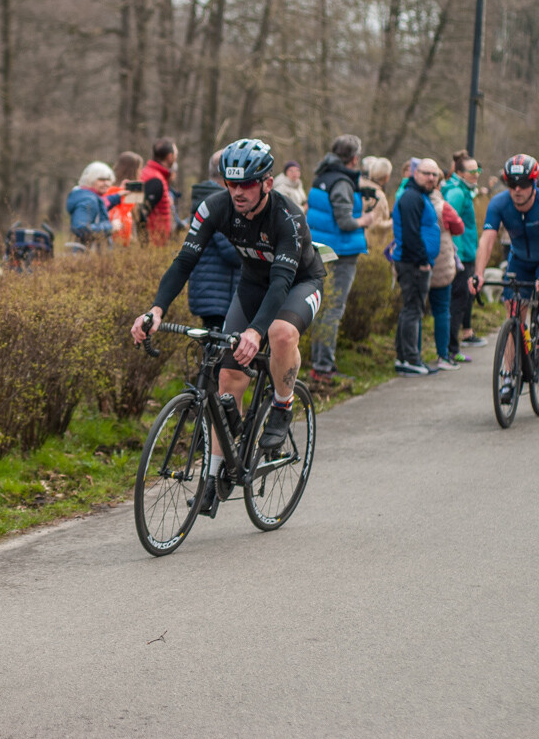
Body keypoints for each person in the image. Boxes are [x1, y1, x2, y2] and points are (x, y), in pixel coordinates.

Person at [131, 138, 326, 518]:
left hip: (299, 282)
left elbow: (282, 283)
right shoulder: (216, 207)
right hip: (253, 284)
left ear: (266, 184)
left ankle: (283, 404)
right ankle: (215, 476)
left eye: (246, 184)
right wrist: (155, 310)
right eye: (231, 183)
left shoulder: (288, 217)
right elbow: (184, 262)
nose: (237, 192)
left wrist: (255, 331)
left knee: (280, 333)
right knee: (228, 377)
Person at [306, 134, 377, 382]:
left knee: (323, 308)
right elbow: (345, 222)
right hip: (340, 253)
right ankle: (324, 368)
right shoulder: (342, 182)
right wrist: (366, 219)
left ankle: (319, 364)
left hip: (322, 250)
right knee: (333, 310)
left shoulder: (322, 175)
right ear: (354, 158)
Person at [469, 155, 539, 405]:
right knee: (514, 314)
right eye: (511, 184)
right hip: (519, 260)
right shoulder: (499, 203)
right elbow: (487, 239)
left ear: (534, 182)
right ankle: (509, 374)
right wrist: (478, 273)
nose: (517, 190)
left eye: (522, 184)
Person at [391, 158, 442, 376]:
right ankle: (411, 359)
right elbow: (411, 235)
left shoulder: (419, 195)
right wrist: (422, 262)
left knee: (410, 310)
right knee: (413, 311)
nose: (430, 178)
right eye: (426, 173)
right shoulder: (412, 197)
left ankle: (404, 358)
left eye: (434, 175)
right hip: (412, 263)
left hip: (414, 262)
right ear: (415, 173)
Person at [187, 150, 241, 331]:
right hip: (216, 293)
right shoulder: (217, 204)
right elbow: (232, 253)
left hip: (213, 290)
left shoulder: (206, 198)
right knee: (218, 354)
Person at [442, 150, 483, 357]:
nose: (476, 174)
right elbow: (449, 222)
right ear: (459, 172)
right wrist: (455, 254)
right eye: (471, 170)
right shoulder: (457, 193)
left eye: (478, 169)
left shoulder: (465, 190)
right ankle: (451, 349)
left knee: (462, 300)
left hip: (467, 254)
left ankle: (452, 347)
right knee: (458, 301)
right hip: (460, 256)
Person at [426, 175, 465, 370]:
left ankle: (412, 357)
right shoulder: (443, 207)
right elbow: (459, 227)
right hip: (441, 263)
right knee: (442, 310)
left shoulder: (413, 200)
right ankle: (443, 354)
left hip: (417, 262)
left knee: (414, 312)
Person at [66, 161, 123, 247]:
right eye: (101, 180)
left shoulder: (90, 196)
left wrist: (119, 196)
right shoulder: (88, 200)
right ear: (90, 180)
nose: (106, 183)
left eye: (108, 180)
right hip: (88, 255)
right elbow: (81, 229)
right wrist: (110, 227)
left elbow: (101, 205)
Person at [137, 138, 178, 246]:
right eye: (175, 154)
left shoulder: (154, 174)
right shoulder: (155, 179)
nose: (176, 158)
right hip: (153, 245)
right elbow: (142, 214)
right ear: (170, 156)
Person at [105, 151, 144, 245]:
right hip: (118, 240)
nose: (141, 172)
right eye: (139, 169)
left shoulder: (110, 189)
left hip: (123, 239)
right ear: (133, 170)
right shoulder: (113, 192)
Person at [362, 157, 394, 232]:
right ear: (386, 177)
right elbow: (376, 224)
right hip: (371, 240)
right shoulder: (378, 195)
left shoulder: (362, 186)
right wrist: (392, 222)